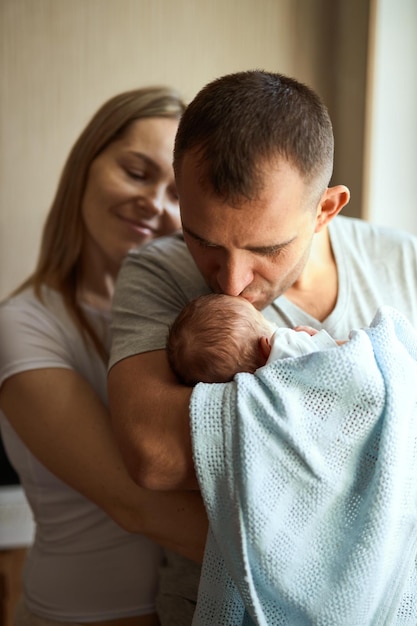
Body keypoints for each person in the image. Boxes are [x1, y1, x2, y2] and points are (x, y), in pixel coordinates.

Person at [107, 70, 417, 621]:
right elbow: (155, 453)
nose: (230, 284)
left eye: (264, 249)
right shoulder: (156, 273)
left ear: (326, 208)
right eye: (202, 240)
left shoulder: (405, 265)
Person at [0, 86, 208, 626]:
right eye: (137, 173)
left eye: (176, 194)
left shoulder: (195, 322)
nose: (154, 204)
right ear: (84, 168)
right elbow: (134, 503)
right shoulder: (21, 324)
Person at [166, 293, 339, 385]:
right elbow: (340, 355)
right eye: (265, 320)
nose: (273, 323)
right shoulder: (285, 348)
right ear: (266, 349)